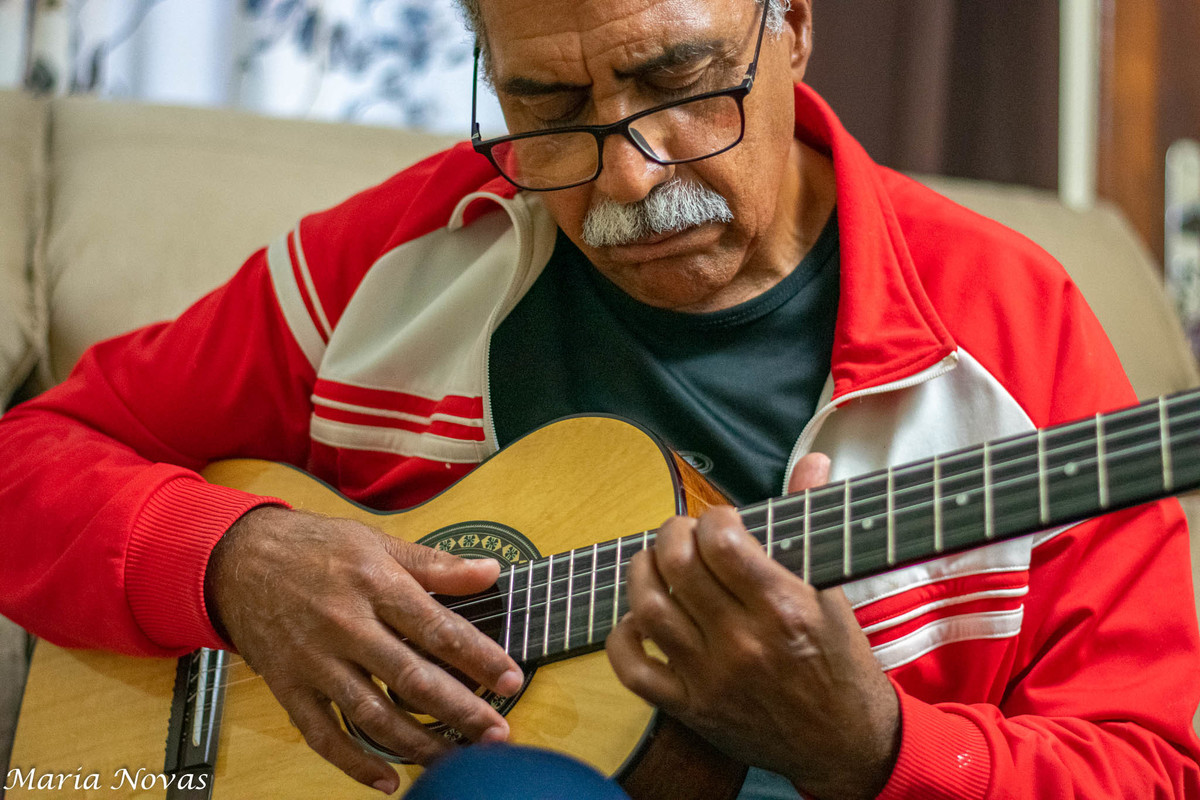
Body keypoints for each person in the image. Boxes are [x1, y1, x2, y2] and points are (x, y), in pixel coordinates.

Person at [1, 0, 1199, 797]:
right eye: (548, 109)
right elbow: (31, 459)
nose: (629, 174)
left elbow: (1152, 762)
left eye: (679, 80)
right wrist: (235, 561)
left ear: (792, 26)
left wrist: (878, 744)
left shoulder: (1014, 330)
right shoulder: (397, 261)